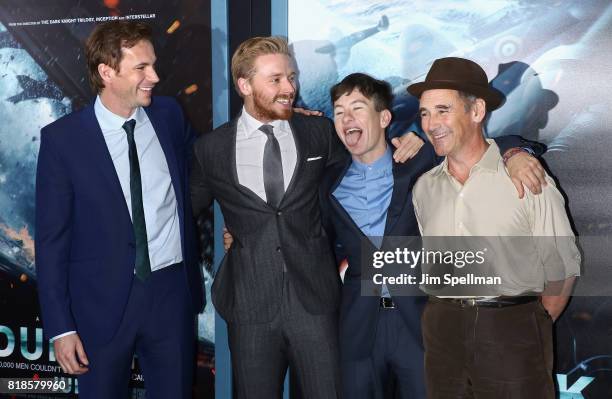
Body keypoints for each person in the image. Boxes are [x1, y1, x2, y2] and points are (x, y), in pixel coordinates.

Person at [190, 36, 423, 399]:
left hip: (317, 303)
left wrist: (415, 140)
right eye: (276, 80)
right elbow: (180, 212)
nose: (290, 89)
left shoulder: (318, 132)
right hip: (249, 305)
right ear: (244, 85)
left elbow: (366, 162)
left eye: (292, 77)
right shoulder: (211, 150)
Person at [318, 72, 547, 399]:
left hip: (420, 321)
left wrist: (515, 153)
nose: (347, 118)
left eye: (357, 108)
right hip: (359, 325)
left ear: (384, 117)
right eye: (339, 111)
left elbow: (479, 145)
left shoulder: (421, 159)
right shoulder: (327, 182)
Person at [35, 21, 203, 398]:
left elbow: (210, 164)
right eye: (141, 68)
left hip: (170, 293)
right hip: (99, 305)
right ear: (107, 73)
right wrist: (61, 328)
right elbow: (51, 241)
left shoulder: (169, 116)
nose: (155, 77)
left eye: (153, 64)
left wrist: (282, 123)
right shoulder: (63, 141)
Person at [409, 57, 580, 398]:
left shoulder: (528, 177)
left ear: (476, 112)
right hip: (443, 330)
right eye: (425, 113)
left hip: (512, 330)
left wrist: (528, 324)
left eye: (442, 110)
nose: (430, 123)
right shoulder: (424, 188)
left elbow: (562, 266)